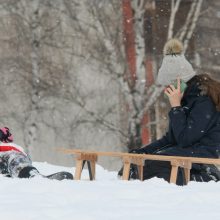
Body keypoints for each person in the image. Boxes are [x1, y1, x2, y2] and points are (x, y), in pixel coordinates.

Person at [119, 39, 220, 185]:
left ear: (179, 83)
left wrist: (176, 107)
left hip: (202, 157)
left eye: (168, 86)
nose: (166, 91)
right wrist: (143, 152)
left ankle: (205, 177)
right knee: (138, 165)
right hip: (185, 153)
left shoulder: (203, 101)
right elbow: (170, 139)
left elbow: (185, 139)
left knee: (152, 166)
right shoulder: (186, 100)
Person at [0, 127, 73, 180]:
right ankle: (32, 175)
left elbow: (7, 137)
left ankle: (33, 175)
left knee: (15, 158)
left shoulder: (10, 148)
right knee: (13, 158)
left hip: (13, 156)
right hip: (9, 160)